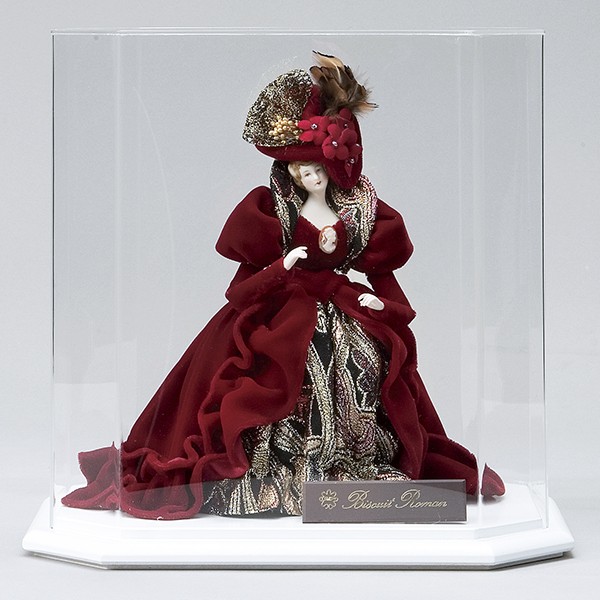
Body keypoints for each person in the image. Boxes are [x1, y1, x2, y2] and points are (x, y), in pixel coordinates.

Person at [62, 52, 504, 520]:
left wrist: (382, 306)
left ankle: (352, 466)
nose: (314, 176)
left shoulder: (359, 208)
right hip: (283, 310)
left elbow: (386, 281)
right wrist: (282, 266)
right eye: (305, 169)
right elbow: (239, 293)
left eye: (320, 168)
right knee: (275, 370)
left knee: (366, 363)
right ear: (292, 171)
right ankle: (274, 472)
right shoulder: (272, 210)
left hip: (343, 307)